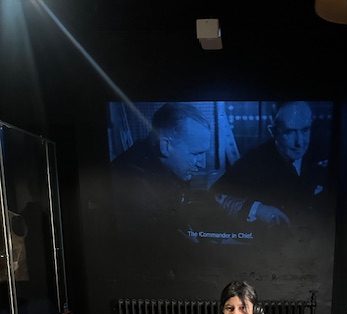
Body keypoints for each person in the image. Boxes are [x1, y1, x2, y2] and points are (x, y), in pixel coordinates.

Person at [212, 101, 328, 227]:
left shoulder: (325, 152)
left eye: (305, 130)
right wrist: (256, 209)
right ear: (273, 132)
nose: (299, 142)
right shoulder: (254, 161)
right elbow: (214, 195)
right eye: (289, 132)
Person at [110, 102, 213, 239]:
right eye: (196, 154)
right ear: (165, 146)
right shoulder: (131, 183)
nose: (202, 164)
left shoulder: (169, 166)